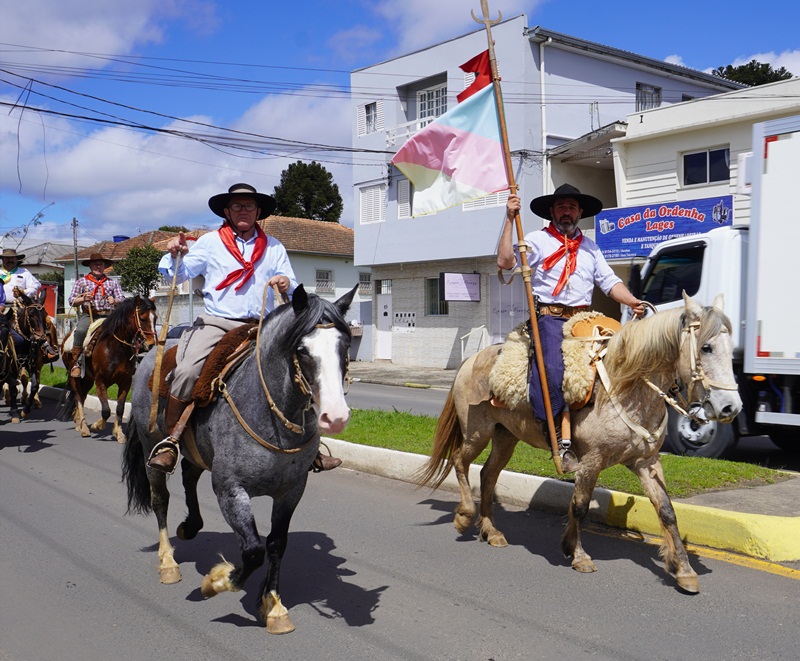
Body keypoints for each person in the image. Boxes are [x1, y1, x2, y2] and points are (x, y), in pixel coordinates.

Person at [147, 182, 342, 474]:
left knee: (300, 374)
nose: (243, 211)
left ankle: (311, 446)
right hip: (218, 323)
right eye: (236, 206)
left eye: (249, 206)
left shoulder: (274, 246)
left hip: (264, 325)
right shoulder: (210, 242)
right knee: (187, 372)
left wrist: (287, 284)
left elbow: (291, 283)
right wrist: (174, 254)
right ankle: (170, 441)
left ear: (258, 211)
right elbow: (181, 273)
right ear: (226, 211)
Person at [497, 184, 645, 439]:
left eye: (572, 207)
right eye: (561, 207)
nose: (567, 212)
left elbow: (609, 282)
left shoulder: (591, 247)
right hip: (549, 317)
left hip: (584, 318)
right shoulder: (535, 239)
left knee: (624, 356)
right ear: (552, 211)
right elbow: (505, 262)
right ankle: (552, 430)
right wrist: (510, 218)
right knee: (554, 372)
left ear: (580, 213)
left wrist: (632, 301)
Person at [67, 253, 125, 378]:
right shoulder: (81, 282)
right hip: (90, 315)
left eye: (101, 264)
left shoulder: (112, 283)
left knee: (126, 330)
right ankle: (76, 362)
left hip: (109, 315)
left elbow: (122, 298)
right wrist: (83, 299)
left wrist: (115, 301)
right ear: (90, 266)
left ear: (104, 266)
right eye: (95, 264)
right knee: (81, 330)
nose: (98, 267)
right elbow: (71, 300)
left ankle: (129, 360)